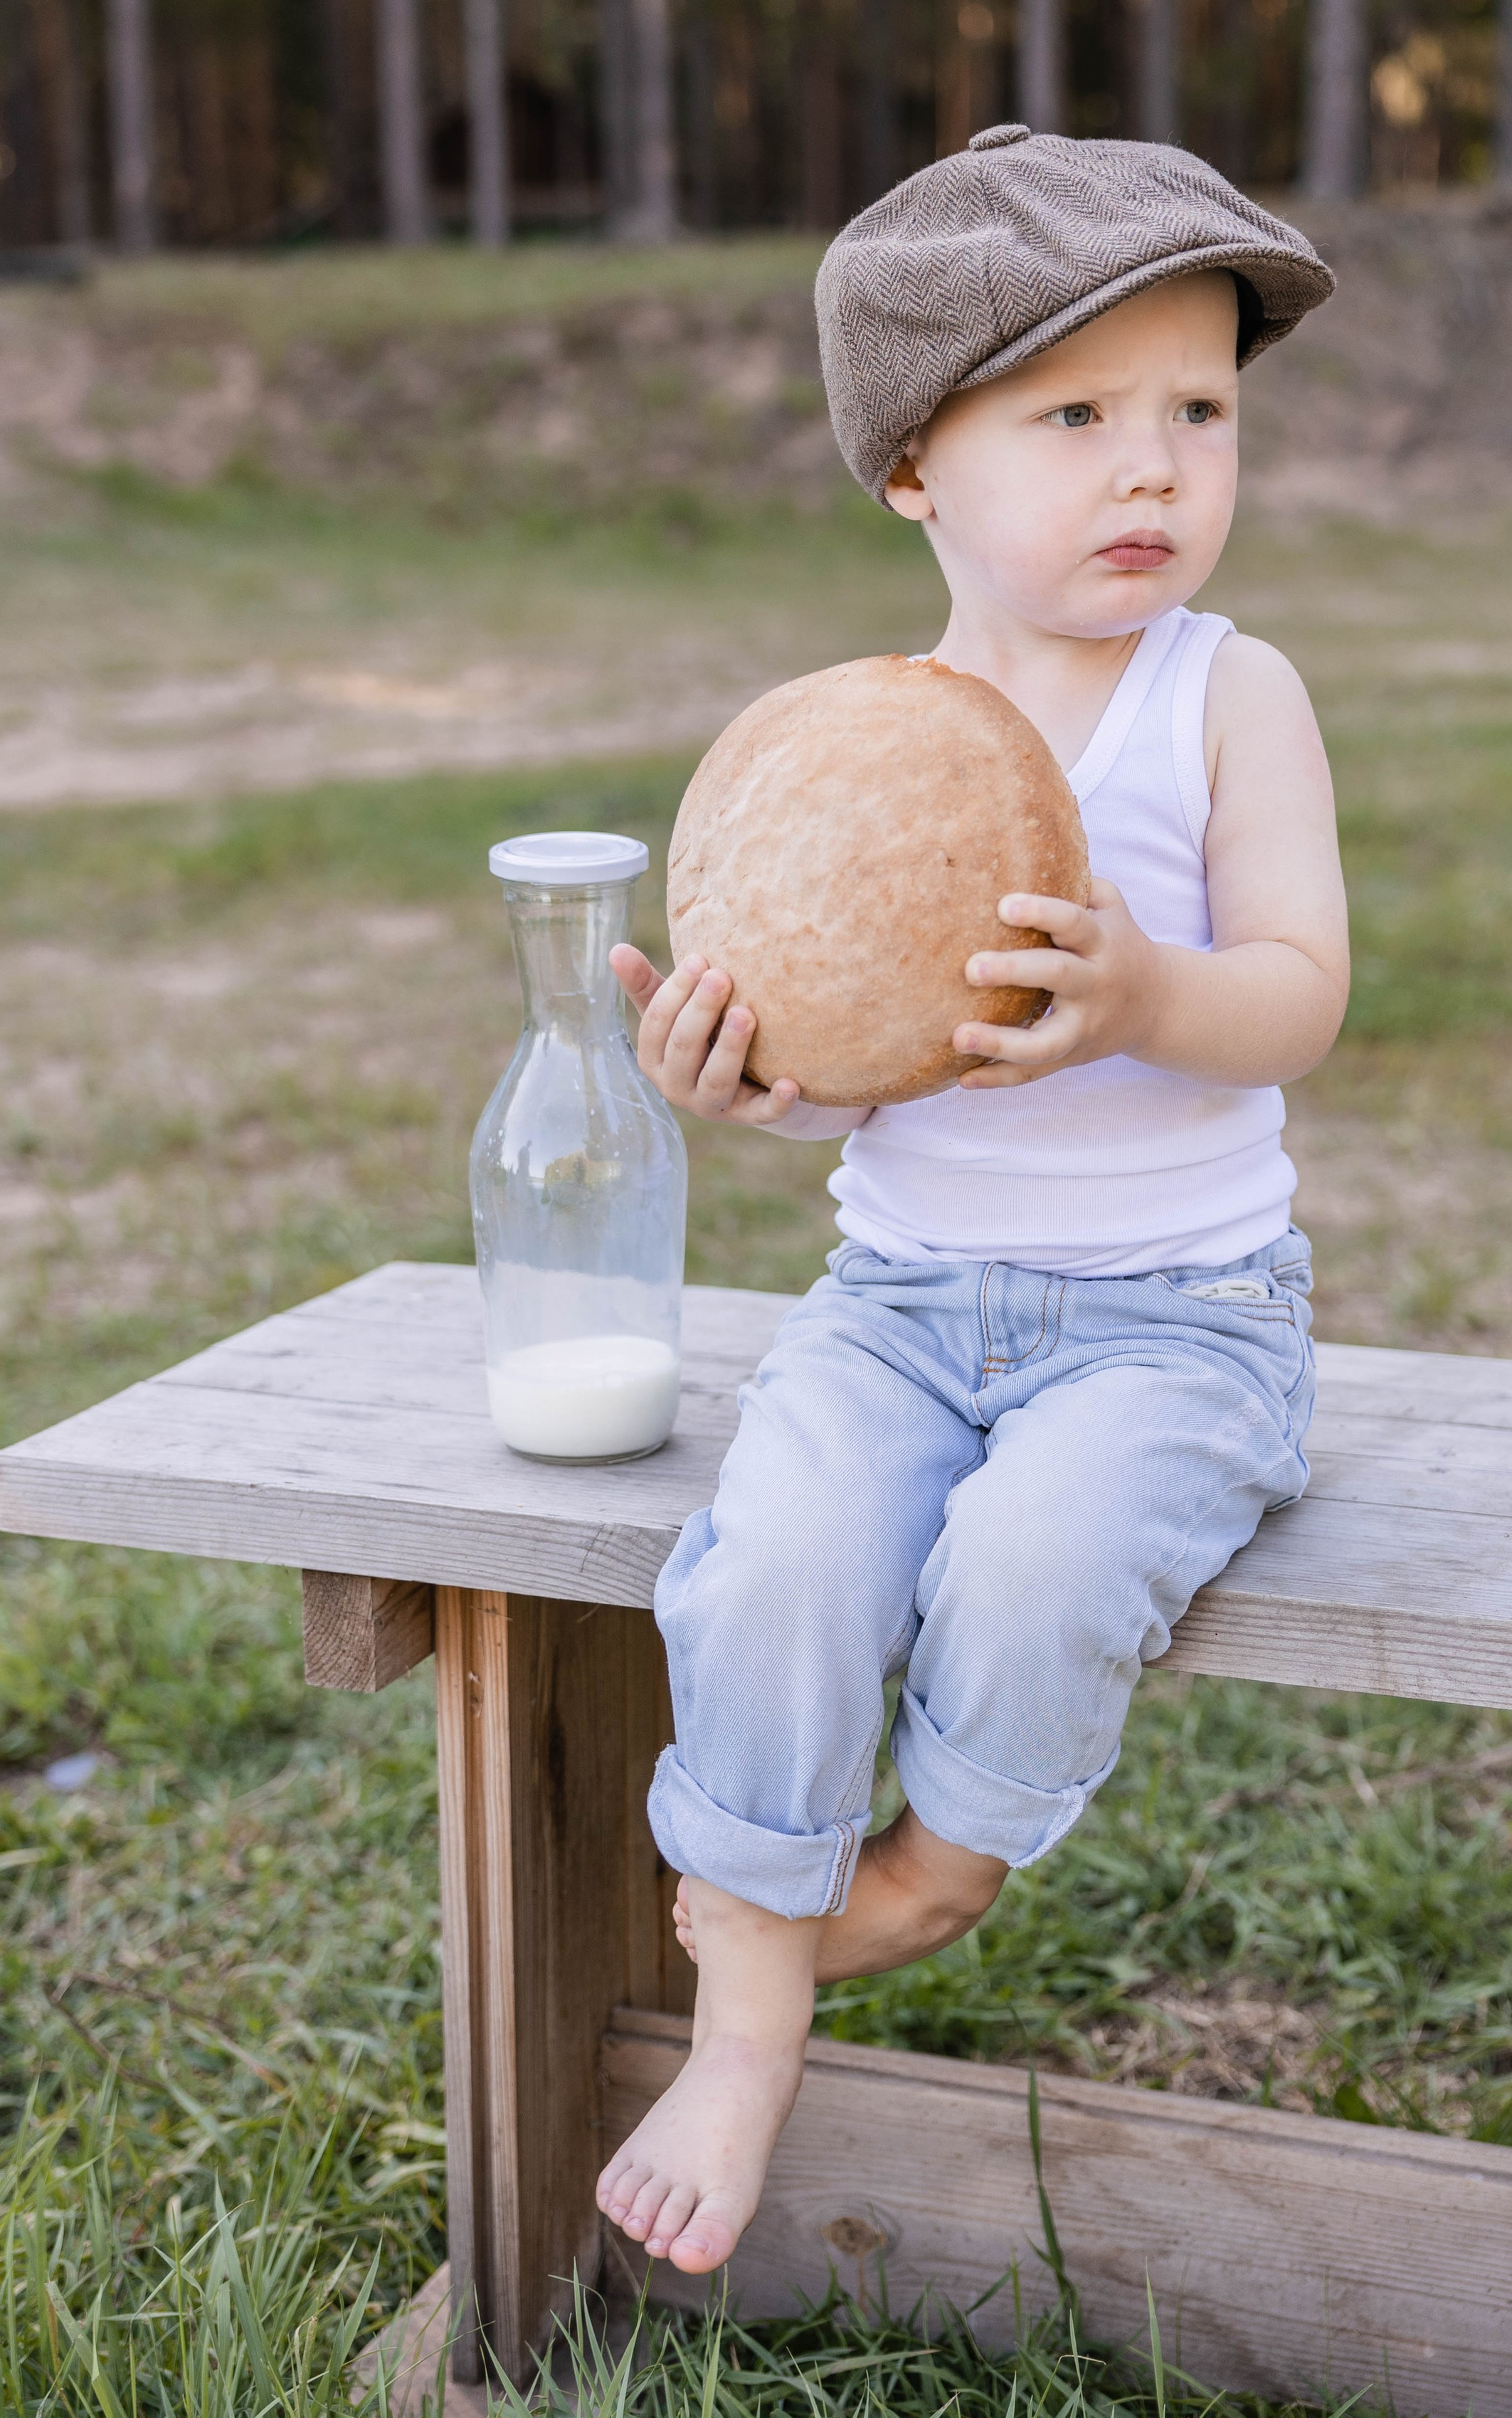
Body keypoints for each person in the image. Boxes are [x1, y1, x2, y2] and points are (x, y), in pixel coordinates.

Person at [598, 127, 1348, 2276]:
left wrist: (1143, 994)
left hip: (1178, 1317)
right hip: (905, 1306)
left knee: (1035, 1558)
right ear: (917, 466)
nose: (1157, 472)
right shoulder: (854, 751)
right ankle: (748, 2005)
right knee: (779, 1560)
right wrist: (743, 1077)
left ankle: (931, 1872)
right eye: (1080, 416)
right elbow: (853, 1067)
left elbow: (1297, 997)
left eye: (1200, 410)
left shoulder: (1228, 696)